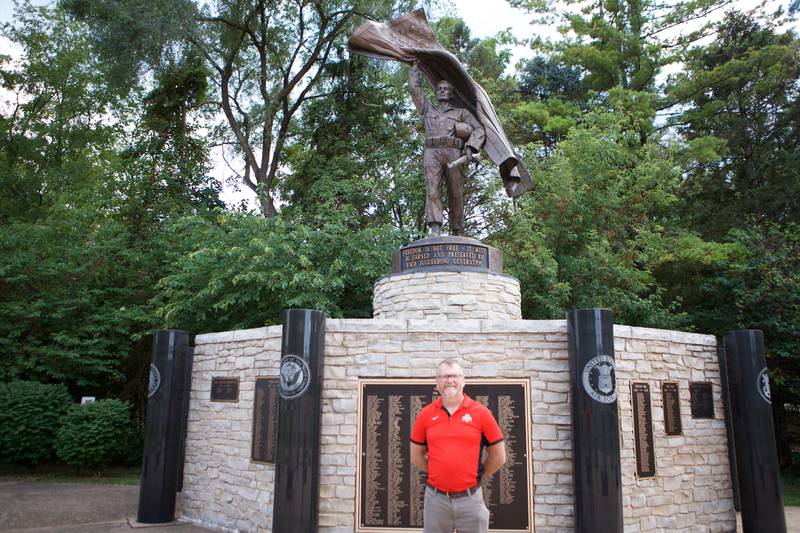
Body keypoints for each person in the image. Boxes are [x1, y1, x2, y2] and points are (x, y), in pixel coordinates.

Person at [410, 359, 507, 533]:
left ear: (463, 380)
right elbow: (416, 456)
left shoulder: (481, 413)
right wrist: (437, 471)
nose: (449, 380)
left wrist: (476, 475)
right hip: (436, 501)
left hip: (470, 500)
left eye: (454, 376)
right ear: (437, 383)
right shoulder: (425, 415)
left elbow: (499, 456)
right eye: (443, 376)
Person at [408, 63, 486, 237]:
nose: (442, 91)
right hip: (432, 152)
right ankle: (435, 228)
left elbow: (479, 129)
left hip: (454, 152)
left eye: (446, 89)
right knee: (433, 190)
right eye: (439, 88)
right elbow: (415, 89)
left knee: (455, 192)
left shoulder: (461, 113)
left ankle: (457, 230)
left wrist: (471, 147)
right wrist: (414, 69)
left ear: (451, 94)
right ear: (436, 92)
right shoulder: (427, 108)